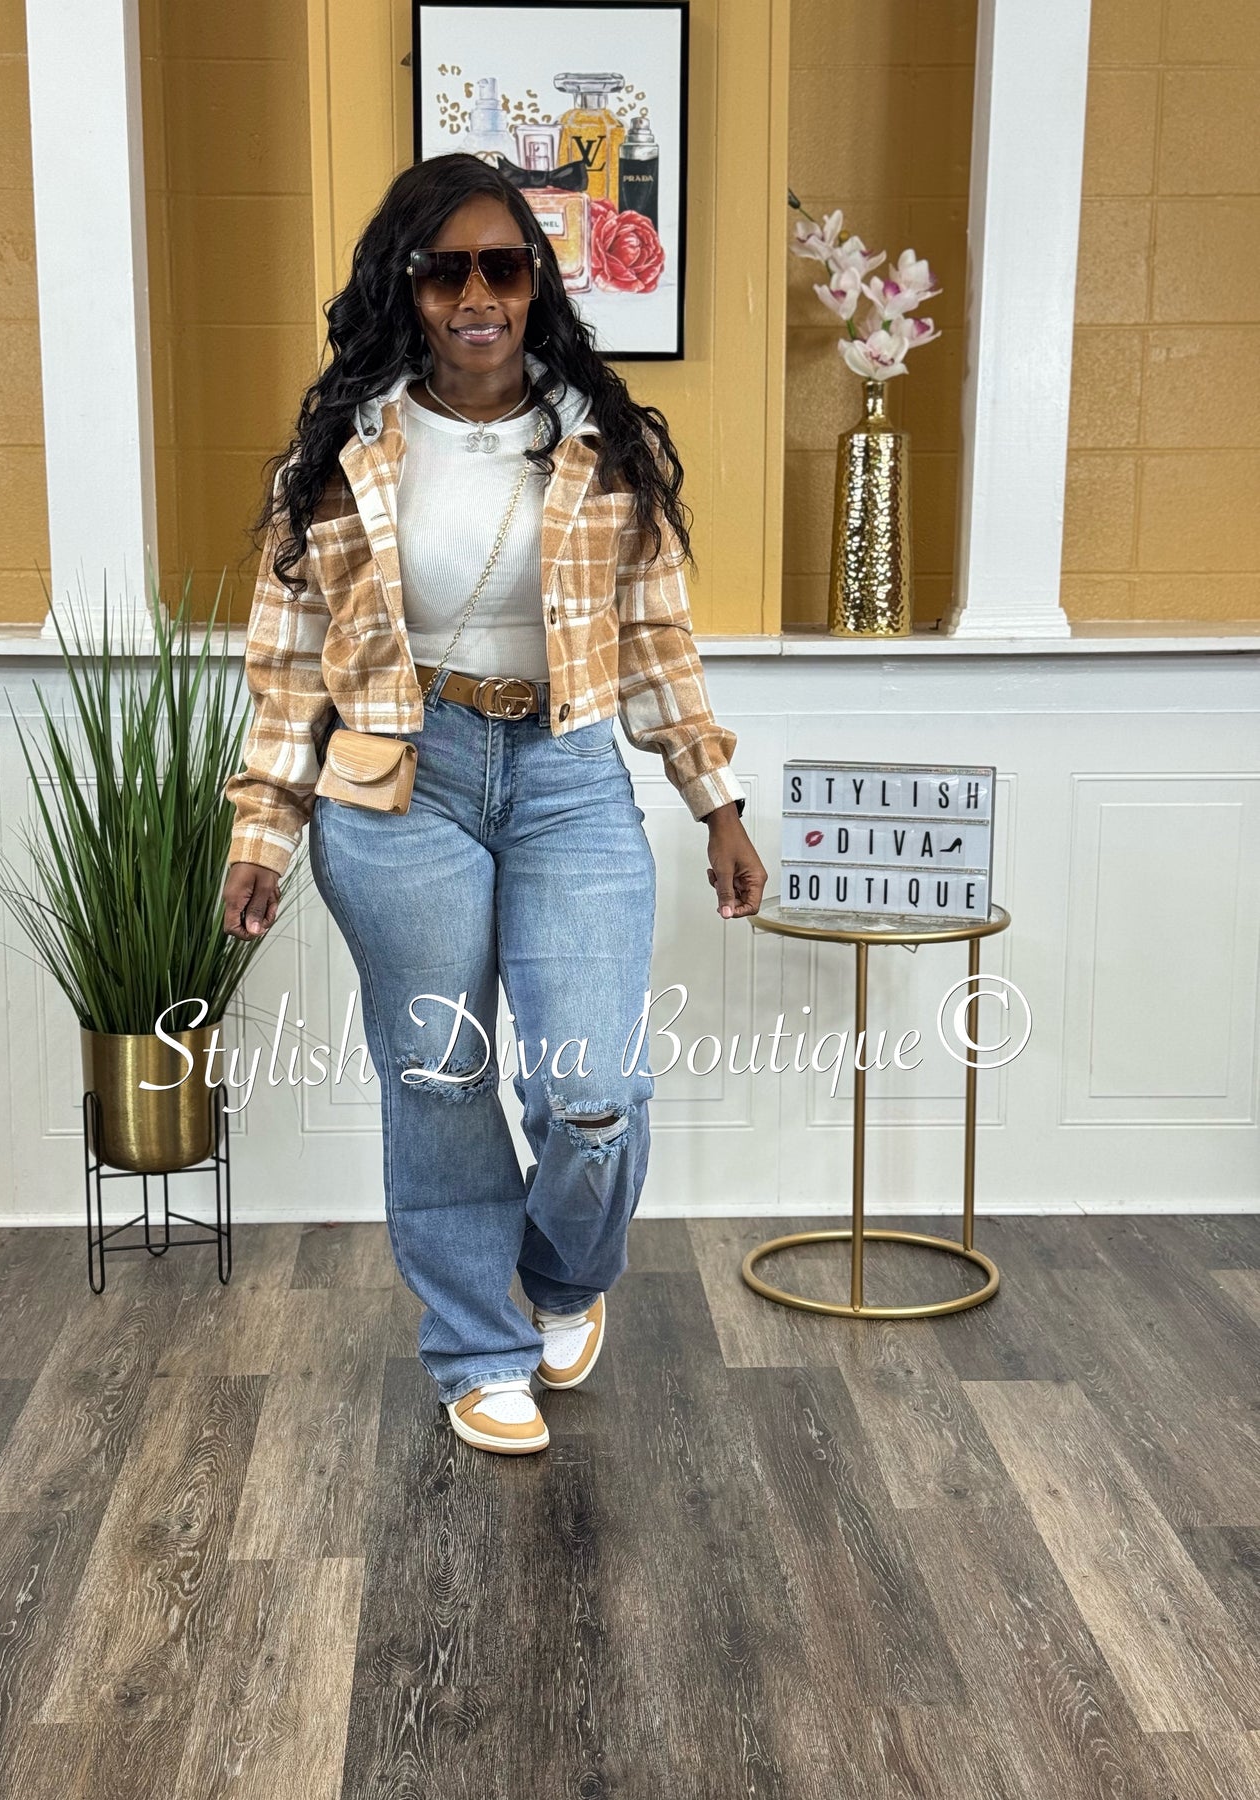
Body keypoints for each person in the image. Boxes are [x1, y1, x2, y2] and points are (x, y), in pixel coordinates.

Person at [221, 153, 766, 1455]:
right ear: (403, 289)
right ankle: (475, 1347)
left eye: (503, 267)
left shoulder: (602, 447)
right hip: (396, 783)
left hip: (568, 774)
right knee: (439, 1077)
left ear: (535, 284)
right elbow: (290, 668)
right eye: (445, 270)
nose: (477, 296)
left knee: (595, 1093)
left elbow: (656, 640)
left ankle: (562, 1276)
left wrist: (715, 802)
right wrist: (262, 830)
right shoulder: (340, 456)